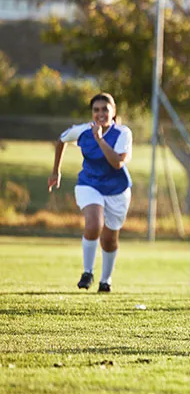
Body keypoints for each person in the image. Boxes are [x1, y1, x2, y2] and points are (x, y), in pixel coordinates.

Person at [48, 92, 133, 293]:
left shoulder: (123, 133)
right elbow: (61, 140)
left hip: (116, 190)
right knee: (94, 224)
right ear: (92, 113)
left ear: (114, 112)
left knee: (110, 239)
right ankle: (87, 272)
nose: (101, 113)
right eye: (96, 110)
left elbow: (117, 162)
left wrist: (100, 139)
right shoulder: (83, 131)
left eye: (105, 109)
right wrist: (55, 171)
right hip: (89, 184)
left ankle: (106, 280)